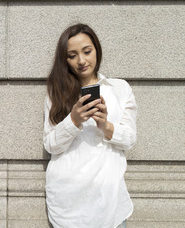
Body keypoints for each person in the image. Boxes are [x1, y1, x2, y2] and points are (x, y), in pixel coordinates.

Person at [43, 23, 137, 228]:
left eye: (87, 51)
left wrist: (105, 125)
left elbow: (129, 139)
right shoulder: (56, 92)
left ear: (97, 49)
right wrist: (73, 120)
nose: (82, 61)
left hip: (109, 201)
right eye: (72, 55)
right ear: (65, 60)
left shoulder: (119, 88)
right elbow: (50, 145)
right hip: (68, 201)